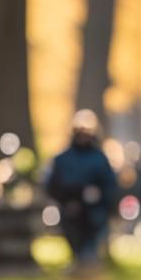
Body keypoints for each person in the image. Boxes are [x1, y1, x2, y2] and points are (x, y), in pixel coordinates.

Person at [45, 109, 118, 265]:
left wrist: (100, 199)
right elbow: (52, 185)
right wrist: (68, 200)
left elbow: (110, 186)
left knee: (90, 249)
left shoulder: (100, 158)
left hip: (95, 213)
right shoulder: (62, 159)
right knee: (76, 247)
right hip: (70, 211)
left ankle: (89, 266)